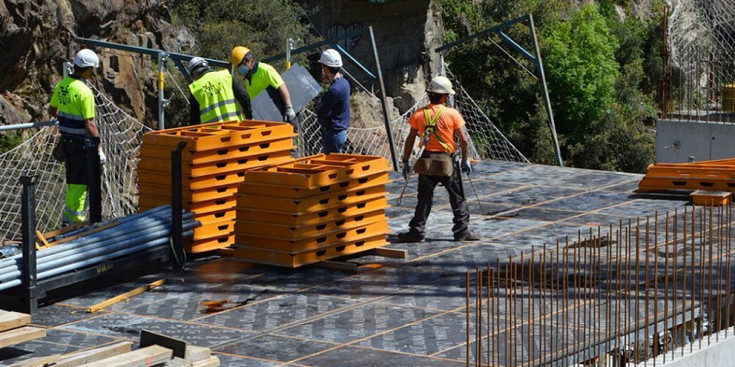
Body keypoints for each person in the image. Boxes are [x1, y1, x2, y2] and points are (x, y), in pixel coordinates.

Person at [397, 76, 480, 243]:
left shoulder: (419, 114)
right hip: (447, 163)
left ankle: (417, 231)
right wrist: (465, 159)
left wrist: (405, 161)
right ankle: (461, 231)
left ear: (430, 95)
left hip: (427, 163)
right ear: (444, 96)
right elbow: (463, 139)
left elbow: (410, 139)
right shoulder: (452, 114)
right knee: (458, 198)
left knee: (424, 199)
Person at [48, 48, 105, 226]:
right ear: (88, 69)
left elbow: (52, 110)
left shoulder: (62, 85)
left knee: (72, 180)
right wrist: (99, 148)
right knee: (81, 182)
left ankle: (69, 219)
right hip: (81, 144)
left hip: (66, 141)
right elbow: (90, 124)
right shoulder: (85, 92)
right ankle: (75, 222)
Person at [230, 46, 295, 122]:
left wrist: (289, 108)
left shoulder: (264, 69)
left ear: (248, 60)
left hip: (285, 113)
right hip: (271, 117)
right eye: (238, 67)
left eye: (241, 65)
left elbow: (281, 86)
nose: (240, 69)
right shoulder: (248, 79)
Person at [188, 56, 252, 125]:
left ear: (194, 73)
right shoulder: (225, 76)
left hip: (213, 133)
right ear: (207, 66)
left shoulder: (196, 88)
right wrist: (249, 117)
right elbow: (244, 97)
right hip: (236, 128)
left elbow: (194, 118)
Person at [316, 49, 350, 154]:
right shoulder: (345, 83)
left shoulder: (334, 90)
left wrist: (321, 98)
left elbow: (321, 112)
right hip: (341, 131)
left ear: (326, 68)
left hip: (333, 134)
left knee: (332, 167)